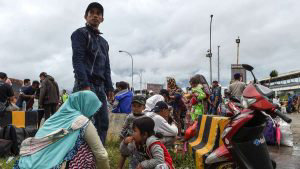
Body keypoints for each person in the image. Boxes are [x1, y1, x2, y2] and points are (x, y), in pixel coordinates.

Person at [14, 91, 110, 169]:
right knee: (86, 150)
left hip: (26, 165)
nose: (93, 113)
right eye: (93, 109)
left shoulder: (53, 119)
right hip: (51, 166)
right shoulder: (81, 121)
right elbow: (102, 155)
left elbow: (55, 139)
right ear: (86, 105)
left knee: (71, 138)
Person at [71, 2, 114, 144]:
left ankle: (97, 156)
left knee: (103, 123)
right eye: (92, 13)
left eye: (98, 13)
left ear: (102, 19)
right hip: (86, 85)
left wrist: (109, 88)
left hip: (100, 87)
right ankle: (79, 160)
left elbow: (107, 67)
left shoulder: (104, 42)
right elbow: (77, 60)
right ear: (86, 16)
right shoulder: (80, 34)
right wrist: (84, 85)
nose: (95, 15)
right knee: (84, 124)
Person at [118, 95, 147, 169]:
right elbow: (124, 128)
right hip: (129, 139)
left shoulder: (146, 118)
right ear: (131, 106)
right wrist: (122, 139)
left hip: (140, 142)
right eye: (134, 106)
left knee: (137, 158)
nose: (136, 108)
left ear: (143, 107)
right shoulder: (129, 117)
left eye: (139, 106)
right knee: (123, 154)